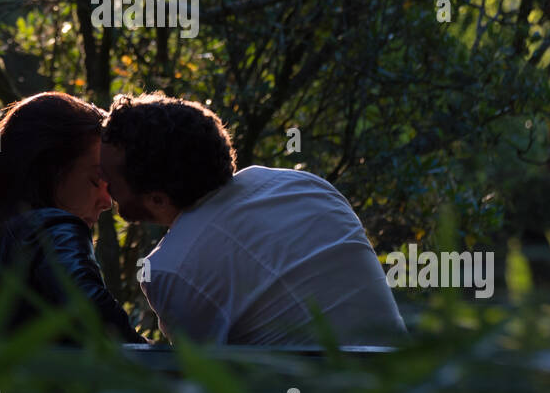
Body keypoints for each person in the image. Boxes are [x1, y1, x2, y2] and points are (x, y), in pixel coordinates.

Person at [100, 92, 406, 346]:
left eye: (111, 178)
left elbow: (204, 384)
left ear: (157, 198)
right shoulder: (306, 186)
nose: (104, 186)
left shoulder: (171, 269)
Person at [0, 92, 147, 344]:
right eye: (96, 181)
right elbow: (98, 319)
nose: (107, 202)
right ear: (49, 170)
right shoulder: (53, 229)